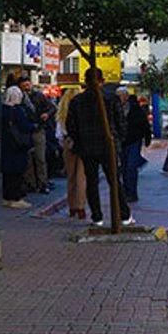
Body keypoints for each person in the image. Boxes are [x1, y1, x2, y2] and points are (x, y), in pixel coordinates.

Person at [67, 68, 134, 227]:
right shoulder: (111, 99)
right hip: (108, 146)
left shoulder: (77, 101)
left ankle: (97, 217)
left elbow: (71, 126)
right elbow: (121, 123)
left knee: (92, 182)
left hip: (87, 147)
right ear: (102, 81)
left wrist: (79, 141)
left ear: (86, 80)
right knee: (114, 181)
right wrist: (117, 139)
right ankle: (124, 215)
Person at [0, 86, 36, 209]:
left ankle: (6, 197)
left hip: (5, 145)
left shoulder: (2, 110)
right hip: (17, 146)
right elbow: (25, 126)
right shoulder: (18, 111)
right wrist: (34, 126)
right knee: (17, 172)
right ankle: (15, 197)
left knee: (7, 173)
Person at [57, 88, 87, 220]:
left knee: (71, 177)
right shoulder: (83, 111)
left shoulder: (62, 113)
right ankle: (81, 207)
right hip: (82, 144)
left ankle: (72, 206)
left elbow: (58, 134)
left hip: (67, 143)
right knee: (81, 177)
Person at [20, 77, 54, 194]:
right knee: (28, 159)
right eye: (24, 84)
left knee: (40, 158)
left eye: (27, 84)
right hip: (27, 131)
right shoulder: (21, 97)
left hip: (38, 129)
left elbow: (52, 107)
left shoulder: (38, 96)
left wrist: (46, 114)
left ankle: (42, 183)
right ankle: (31, 183)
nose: (26, 86)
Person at [119, 88, 150, 202]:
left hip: (133, 140)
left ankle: (132, 193)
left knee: (131, 167)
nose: (120, 98)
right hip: (122, 142)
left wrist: (147, 138)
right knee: (123, 167)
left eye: (121, 95)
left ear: (126, 96)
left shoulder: (135, 109)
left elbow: (144, 124)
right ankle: (126, 191)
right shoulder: (116, 108)